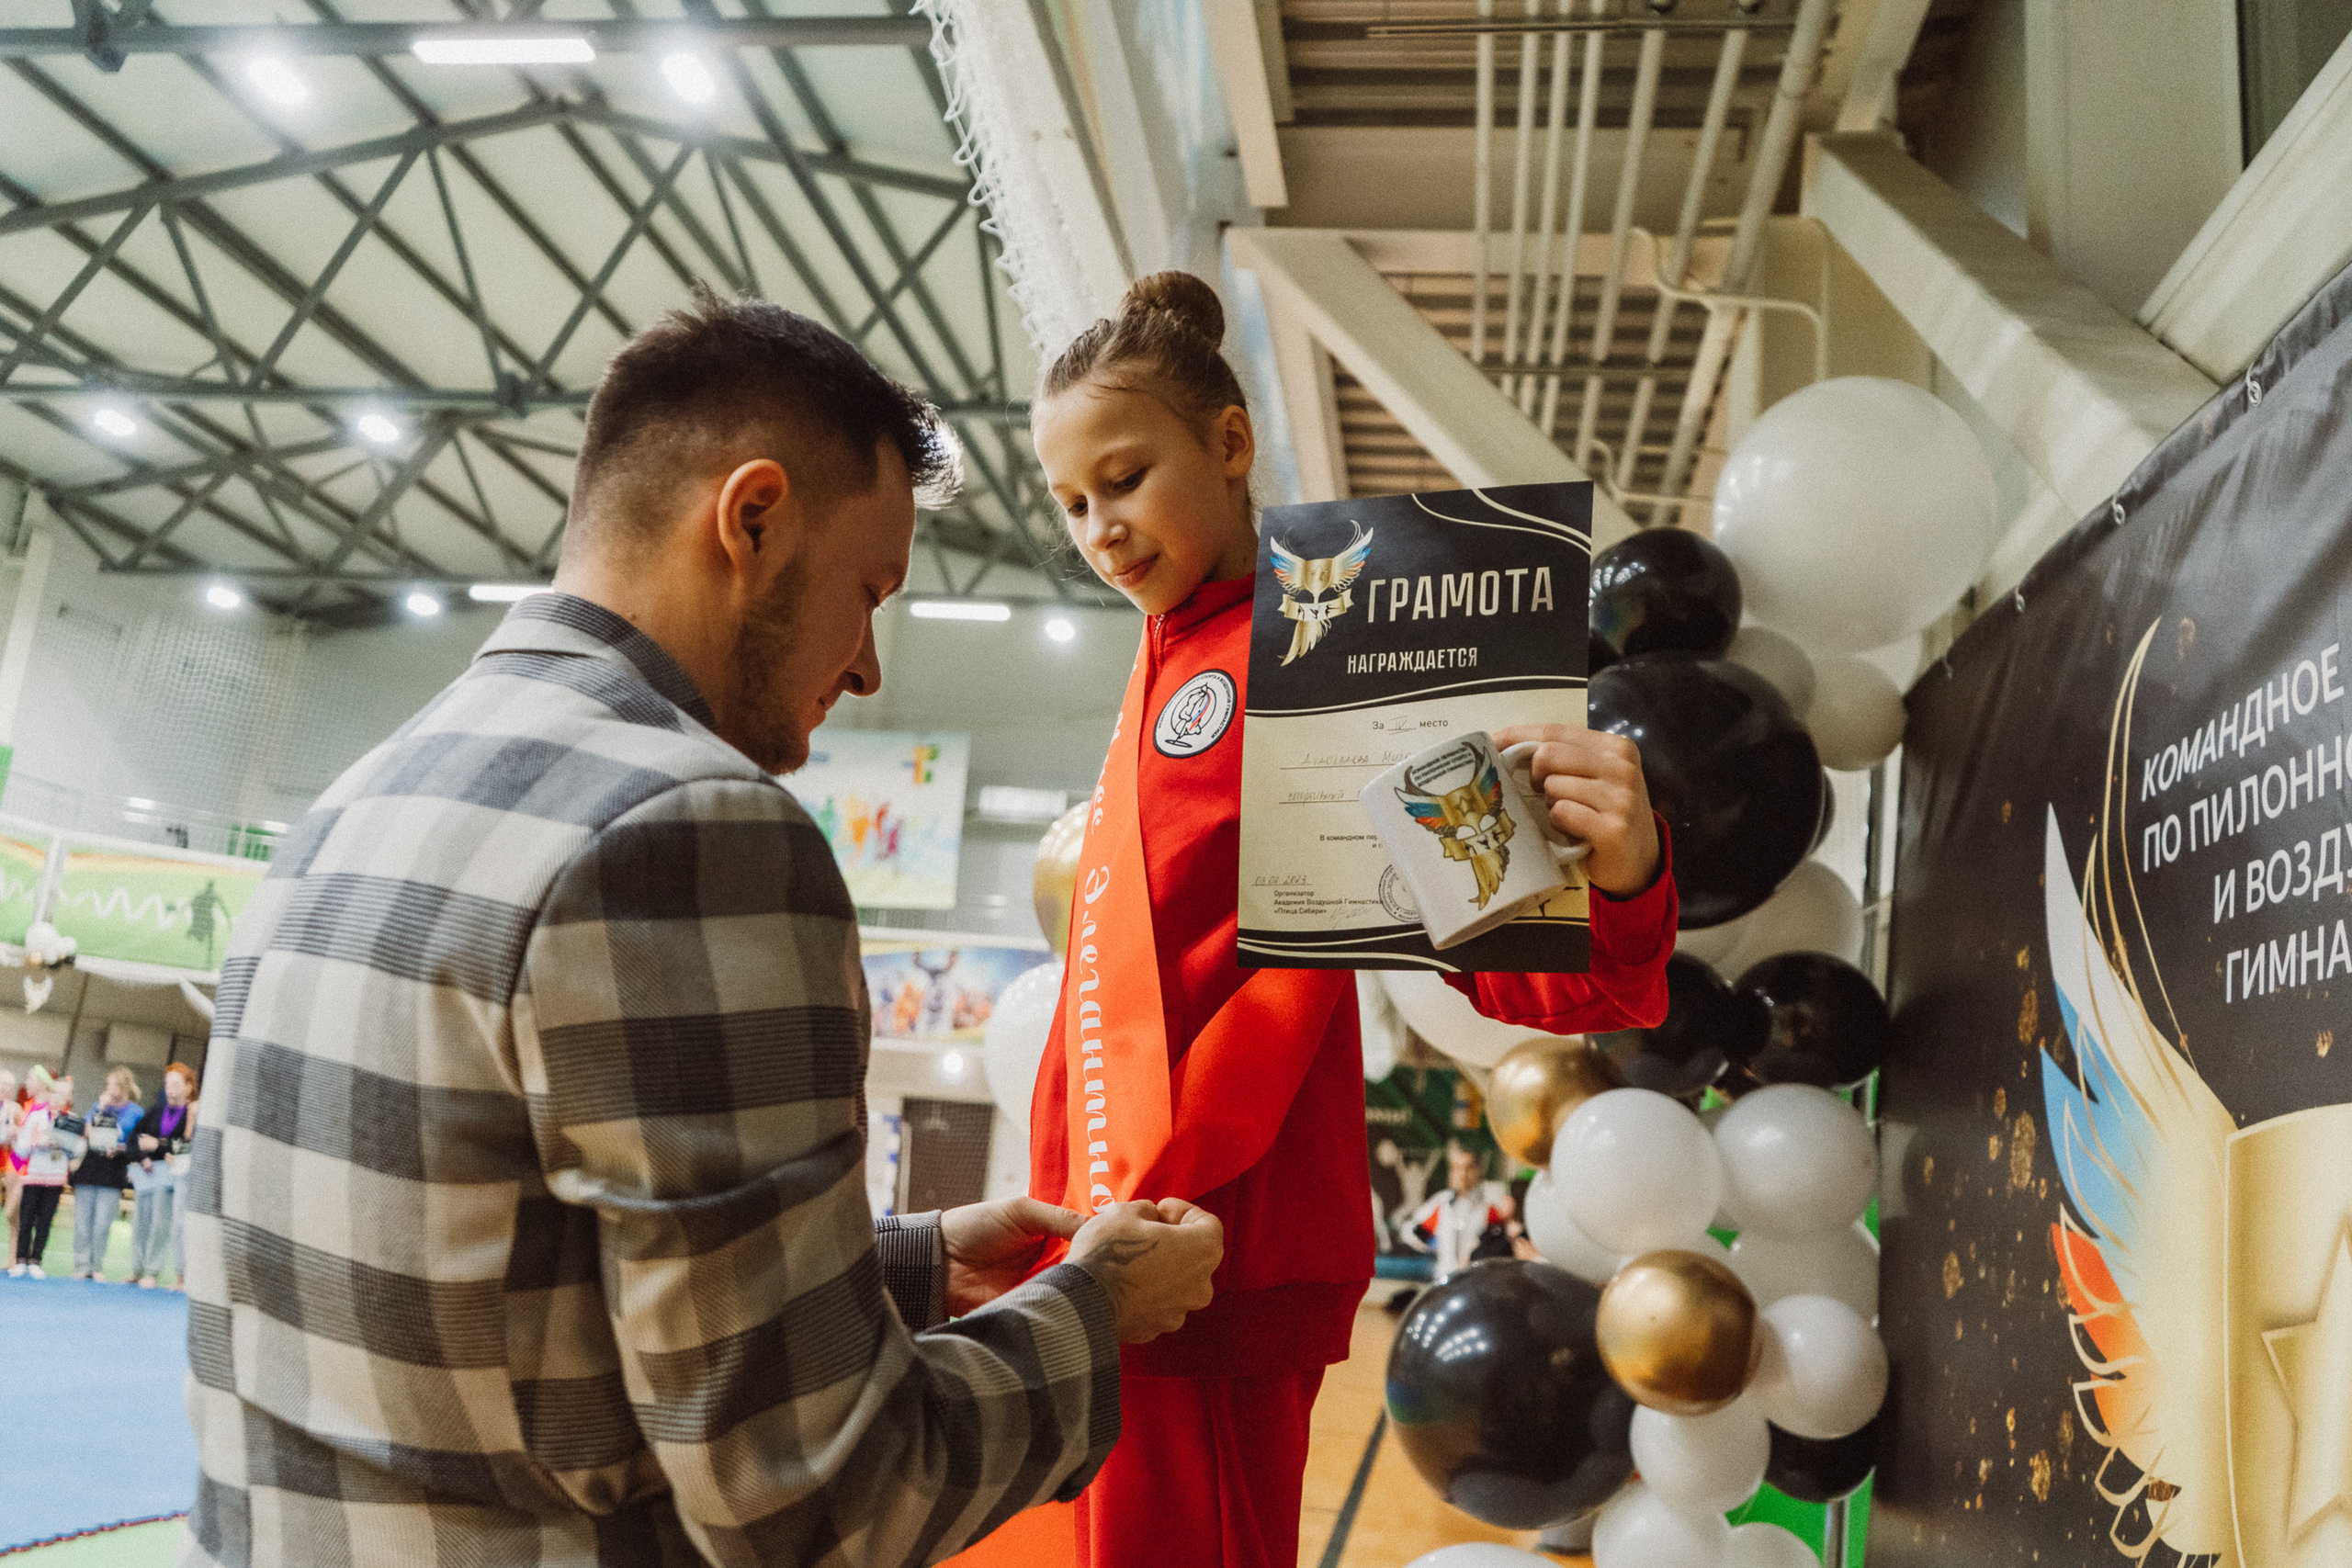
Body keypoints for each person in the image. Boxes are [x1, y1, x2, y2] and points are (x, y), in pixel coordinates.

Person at [182, 290, 1225, 1568]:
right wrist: (1092, 1308)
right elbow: (824, 1499)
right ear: (752, 517)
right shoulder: (690, 828)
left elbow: (479, 1290)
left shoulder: (353, 801)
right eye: (870, 588)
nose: (867, 665)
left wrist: (907, 1263)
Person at [1025, 271, 1679, 1568]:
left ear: (1228, 442)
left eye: (1125, 476)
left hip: (1217, 1241)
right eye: (1073, 502)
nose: (1102, 526)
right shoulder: (1162, 664)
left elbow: (1543, 973)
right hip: (1104, 1226)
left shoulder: (1333, 654)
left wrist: (1622, 874)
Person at [1402, 1139, 1513, 1282]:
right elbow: (1409, 1231)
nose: (1463, 1173)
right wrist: (1433, 1242)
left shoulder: (1491, 1202)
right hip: (1445, 1280)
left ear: (1478, 1169)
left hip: (1479, 1281)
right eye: (1457, 1167)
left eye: (1469, 1167)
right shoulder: (1442, 1202)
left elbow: (1503, 1240)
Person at [68, 1065, 142, 1280]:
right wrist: (101, 1109)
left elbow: (130, 1139)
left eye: (115, 1085)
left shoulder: (135, 1112)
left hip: (114, 1169)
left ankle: (96, 1266)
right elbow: (87, 1130)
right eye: (108, 1085)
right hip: (90, 1166)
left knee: (102, 1223)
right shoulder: (97, 1106)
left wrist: (121, 1150)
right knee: (83, 1221)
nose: (111, 1089)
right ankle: (81, 1265)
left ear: (125, 1086)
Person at [129, 1060, 195, 1290]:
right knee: (140, 1223)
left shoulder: (192, 1113)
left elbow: (186, 1145)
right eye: (167, 1084)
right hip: (148, 1173)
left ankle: (154, 1271)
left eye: (176, 1084)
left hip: (172, 1176)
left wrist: (157, 1145)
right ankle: (136, 1269)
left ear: (188, 1087)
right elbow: (134, 1138)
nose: (170, 1088)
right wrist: (141, 1157)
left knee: (162, 1224)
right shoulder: (156, 1111)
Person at [11, 1068, 76, 1278]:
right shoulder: (36, 1116)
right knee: (27, 1218)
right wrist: (35, 1143)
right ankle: (21, 1259)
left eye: (62, 1095)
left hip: (56, 1178)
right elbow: (20, 1148)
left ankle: (36, 1260)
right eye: (54, 1094)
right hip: (33, 1175)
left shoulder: (72, 1121)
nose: (57, 1099)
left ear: (67, 1099)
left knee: (45, 1221)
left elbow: (78, 1150)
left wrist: (63, 1145)